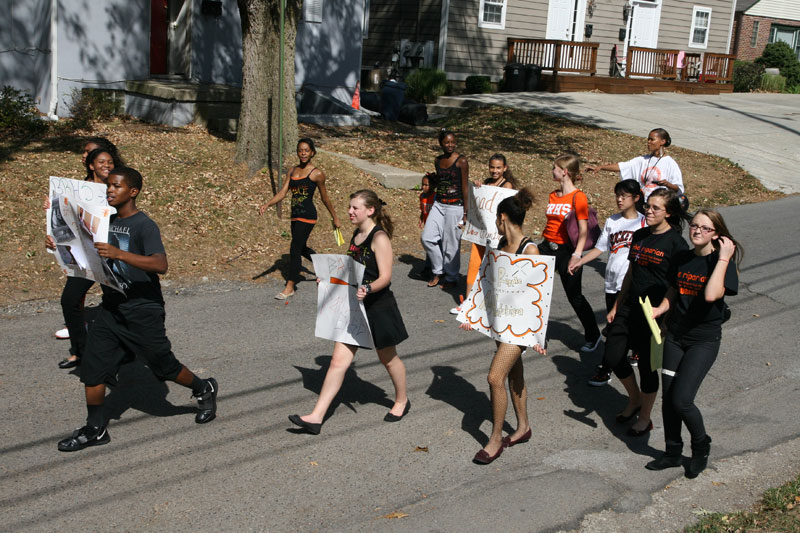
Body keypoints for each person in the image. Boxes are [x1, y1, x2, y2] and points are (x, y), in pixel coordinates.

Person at [52, 167, 218, 451]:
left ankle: (204, 387)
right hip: (111, 309)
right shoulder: (105, 220)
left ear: (133, 191)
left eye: (116, 186)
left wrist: (119, 253)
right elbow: (86, 254)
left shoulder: (144, 225)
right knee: (92, 368)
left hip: (143, 309)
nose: (110, 191)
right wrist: (57, 243)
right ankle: (95, 429)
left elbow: (160, 264)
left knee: (163, 366)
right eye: (108, 187)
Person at [289, 190, 409, 435]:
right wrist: (328, 280)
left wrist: (368, 288)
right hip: (353, 306)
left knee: (388, 358)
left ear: (370, 210)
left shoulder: (380, 238)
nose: (350, 212)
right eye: (350, 207)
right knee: (337, 362)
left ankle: (401, 400)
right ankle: (316, 417)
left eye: (355, 208)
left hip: (378, 307)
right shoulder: (357, 234)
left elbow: (385, 277)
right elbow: (349, 269)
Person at [646, 209, 740, 478]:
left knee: (683, 400)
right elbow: (674, 290)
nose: (697, 231)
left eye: (705, 228)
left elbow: (711, 295)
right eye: (694, 226)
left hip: (703, 341)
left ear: (717, 235)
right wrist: (660, 310)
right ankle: (673, 452)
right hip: (675, 336)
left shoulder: (723, 265)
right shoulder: (683, 259)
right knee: (668, 400)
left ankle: (701, 446)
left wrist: (723, 258)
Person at [460, 187, 546, 464]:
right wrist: (471, 315)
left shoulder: (529, 249)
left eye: (497, 218)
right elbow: (488, 284)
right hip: (501, 322)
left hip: (520, 329)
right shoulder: (499, 246)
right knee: (514, 375)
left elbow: (541, 295)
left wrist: (537, 336)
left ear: (503, 218)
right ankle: (523, 428)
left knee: (494, 377)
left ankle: (495, 440)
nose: (496, 223)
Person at [602, 188, 689, 437]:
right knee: (612, 356)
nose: (648, 211)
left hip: (654, 315)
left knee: (648, 368)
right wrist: (617, 305)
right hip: (629, 307)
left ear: (669, 213)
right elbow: (631, 273)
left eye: (655, 208)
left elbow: (676, 286)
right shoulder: (640, 235)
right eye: (648, 206)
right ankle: (635, 398)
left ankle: (645, 417)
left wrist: (664, 318)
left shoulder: (677, 244)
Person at [47, 144, 125, 369]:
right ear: (91, 166)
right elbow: (62, 217)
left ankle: (126, 350)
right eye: (101, 162)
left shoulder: (117, 188)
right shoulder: (76, 190)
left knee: (118, 302)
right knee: (70, 300)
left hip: (111, 254)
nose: (106, 166)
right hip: (86, 254)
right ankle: (80, 352)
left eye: (110, 162)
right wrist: (52, 231)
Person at [568, 180, 646, 386]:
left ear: (636, 198)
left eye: (624, 196)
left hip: (632, 284)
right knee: (620, 326)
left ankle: (606, 367)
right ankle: (633, 350)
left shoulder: (645, 223)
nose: (619, 199)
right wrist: (580, 260)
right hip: (611, 282)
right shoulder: (612, 221)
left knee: (615, 327)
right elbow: (600, 248)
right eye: (617, 195)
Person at [259, 138, 341, 300]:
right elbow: (283, 192)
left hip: (308, 215)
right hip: (295, 215)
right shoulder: (292, 171)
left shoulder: (317, 174)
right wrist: (268, 204)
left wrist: (335, 217)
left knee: (294, 249)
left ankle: (290, 286)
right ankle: (326, 268)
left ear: (312, 153)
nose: (303, 153)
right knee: (302, 247)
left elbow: (325, 198)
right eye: (300, 150)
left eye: (306, 150)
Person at [539, 154, 602, 352]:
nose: (552, 171)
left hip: (567, 251)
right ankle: (529, 335)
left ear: (564, 172)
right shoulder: (552, 195)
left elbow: (583, 231)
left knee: (574, 296)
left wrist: (577, 255)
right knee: (534, 290)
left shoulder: (578, 197)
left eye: (555, 168)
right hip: (546, 246)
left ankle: (593, 335)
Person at [451, 153, 517, 315]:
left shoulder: (507, 185)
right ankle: (468, 304)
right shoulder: (486, 182)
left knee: (497, 269)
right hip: (481, 233)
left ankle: (498, 306)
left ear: (505, 168)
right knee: (474, 265)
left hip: (498, 234)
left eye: (498, 168)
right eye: (492, 167)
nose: (494, 171)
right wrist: (479, 188)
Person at [421, 129, 469, 289]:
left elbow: (465, 187)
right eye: (447, 142)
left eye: (453, 142)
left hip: (455, 206)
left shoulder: (461, 161)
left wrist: (466, 212)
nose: (450, 145)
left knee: (451, 244)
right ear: (441, 143)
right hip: (439, 203)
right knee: (427, 237)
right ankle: (438, 269)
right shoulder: (438, 160)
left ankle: (451, 277)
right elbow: (440, 180)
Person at [586, 128, 684, 201]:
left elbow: (678, 188)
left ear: (662, 141)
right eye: (648, 139)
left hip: (658, 205)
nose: (648, 142)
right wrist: (601, 167)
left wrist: (668, 184)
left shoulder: (670, 163)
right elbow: (622, 166)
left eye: (652, 139)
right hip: (641, 204)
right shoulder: (642, 160)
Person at [418, 173, 436, 278]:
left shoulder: (435, 197)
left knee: (432, 247)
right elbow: (423, 210)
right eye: (422, 184)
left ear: (433, 186)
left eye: (426, 185)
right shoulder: (422, 196)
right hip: (427, 226)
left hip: (435, 227)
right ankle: (429, 267)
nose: (423, 187)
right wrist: (421, 218)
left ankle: (430, 267)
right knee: (429, 247)